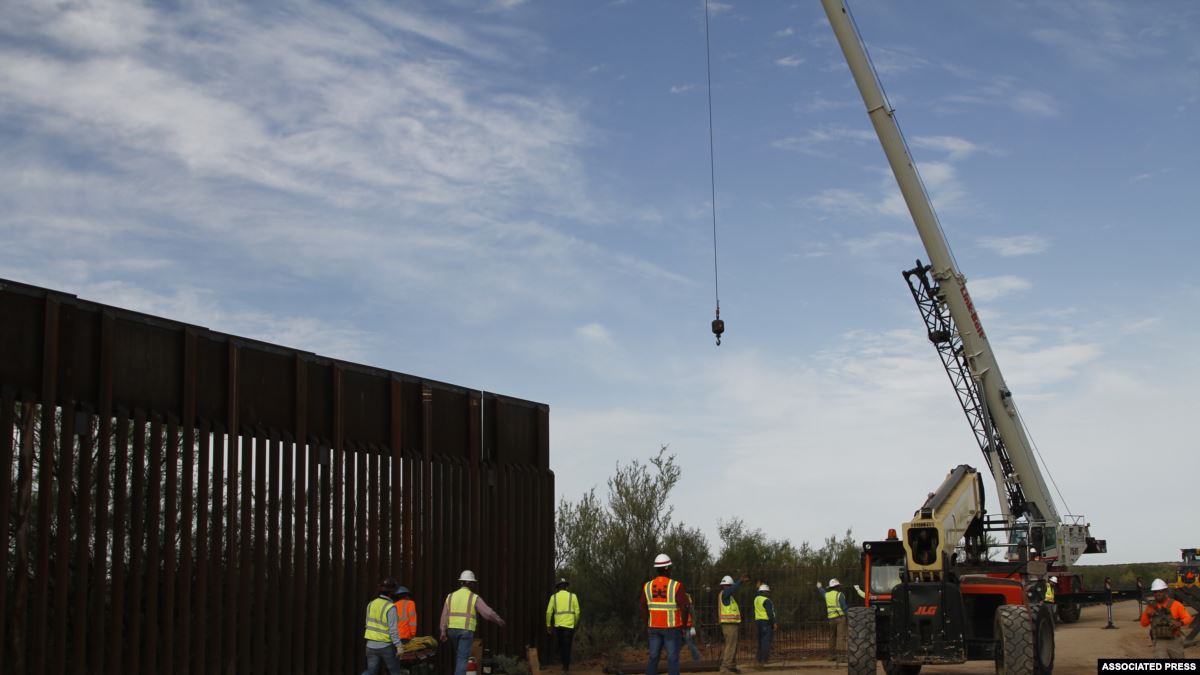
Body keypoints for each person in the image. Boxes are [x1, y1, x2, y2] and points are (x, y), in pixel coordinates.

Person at [440, 569, 507, 675]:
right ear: (470, 583)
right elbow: (488, 613)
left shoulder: (450, 596)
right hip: (466, 631)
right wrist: (499, 621)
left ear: (461, 582)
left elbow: (444, 615)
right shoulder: (473, 597)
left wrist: (443, 631)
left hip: (452, 631)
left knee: (459, 656)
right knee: (462, 658)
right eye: (474, 583)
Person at [641, 553, 690, 675]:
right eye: (671, 566)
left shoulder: (647, 586)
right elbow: (685, 606)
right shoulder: (676, 586)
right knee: (673, 658)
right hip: (672, 628)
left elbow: (643, 607)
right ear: (667, 568)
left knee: (653, 657)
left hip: (653, 628)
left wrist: (645, 625)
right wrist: (683, 626)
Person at [1140, 578, 1194, 659]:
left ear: (1165, 591)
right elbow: (1143, 624)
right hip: (1159, 641)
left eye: (1161, 591)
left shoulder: (1176, 605)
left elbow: (1188, 618)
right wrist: (1148, 615)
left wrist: (1180, 623)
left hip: (1174, 640)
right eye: (1155, 592)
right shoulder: (1151, 607)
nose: (1158, 593)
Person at [363, 577, 405, 675]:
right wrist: (399, 646)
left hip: (370, 645)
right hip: (386, 646)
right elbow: (393, 630)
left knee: (371, 671)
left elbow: (367, 624)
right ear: (392, 593)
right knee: (395, 672)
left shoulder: (371, 604)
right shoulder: (390, 607)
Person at [546, 578, 580, 672]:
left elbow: (549, 612)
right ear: (566, 587)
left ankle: (564, 666)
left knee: (561, 646)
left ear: (558, 588)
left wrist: (548, 625)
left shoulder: (554, 597)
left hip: (558, 626)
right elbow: (577, 612)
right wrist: (575, 623)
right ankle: (566, 667)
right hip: (569, 626)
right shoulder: (573, 596)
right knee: (567, 645)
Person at [716, 574, 748, 674]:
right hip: (729, 625)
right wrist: (740, 581)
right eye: (730, 586)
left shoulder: (728, 597)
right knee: (730, 646)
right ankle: (725, 668)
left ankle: (731, 666)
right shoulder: (725, 594)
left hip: (731, 624)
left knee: (733, 646)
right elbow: (730, 590)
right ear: (727, 585)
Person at [816, 578, 847, 662]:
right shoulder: (840, 595)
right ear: (837, 587)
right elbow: (844, 608)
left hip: (831, 619)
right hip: (840, 618)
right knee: (841, 637)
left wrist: (819, 587)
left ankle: (831, 656)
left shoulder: (827, 595)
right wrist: (849, 617)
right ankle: (841, 658)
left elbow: (822, 592)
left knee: (832, 637)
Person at [753, 584, 775, 664]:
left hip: (758, 622)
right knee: (765, 641)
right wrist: (773, 623)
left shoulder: (756, 599)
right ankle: (764, 659)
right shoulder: (766, 601)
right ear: (765, 592)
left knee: (760, 641)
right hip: (766, 622)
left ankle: (759, 659)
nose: (768, 594)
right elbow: (770, 613)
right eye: (767, 592)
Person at [393, 585, 418, 652]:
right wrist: (413, 634)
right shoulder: (410, 603)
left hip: (395, 636)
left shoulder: (394, 605)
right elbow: (412, 621)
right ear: (407, 595)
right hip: (406, 635)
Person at [682, 590, 701, 662]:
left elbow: (693, 616)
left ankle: (697, 659)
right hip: (681, 627)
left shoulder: (689, 606)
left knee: (690, 643)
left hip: (688, 627)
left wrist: (693, 627)